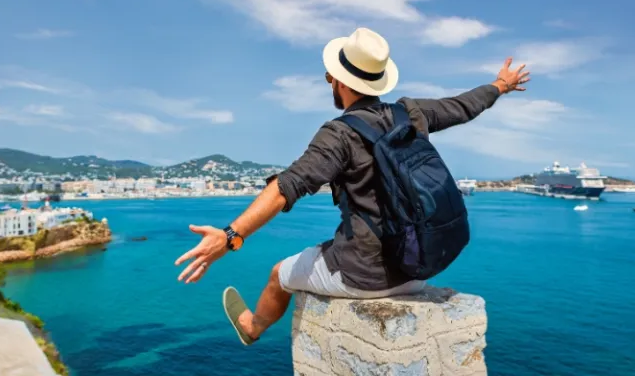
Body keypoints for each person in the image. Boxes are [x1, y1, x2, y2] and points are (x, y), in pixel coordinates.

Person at [175, 27, 531, 345]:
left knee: (278, 275)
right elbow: (462, 106)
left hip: (364, 276)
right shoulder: (410, 113)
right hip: (419, 267)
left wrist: (230, 236)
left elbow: (288, 186)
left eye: (331, 76)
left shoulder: (339, 134)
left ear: (339, 82)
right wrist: (501, 85)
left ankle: (252, 328)